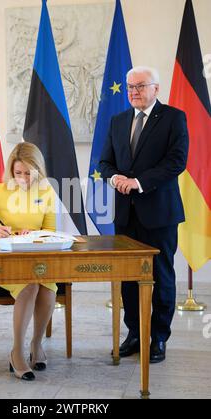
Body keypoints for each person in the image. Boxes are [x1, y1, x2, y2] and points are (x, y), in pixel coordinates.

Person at [99, 66, 189, 363]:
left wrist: (138, 182)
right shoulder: (118, 121)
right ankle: (135, 334)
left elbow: (176, 162)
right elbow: (105, 161)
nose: (134, 92)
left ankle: (159, 338)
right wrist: (115, 179)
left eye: (140, 86)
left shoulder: (174, 118)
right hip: (126, 214)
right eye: (129, 87)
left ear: (156, 88)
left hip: (160, 213)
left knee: (161, 276)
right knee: (128, 277)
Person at [0, 142, 57, 380]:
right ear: (11, 171)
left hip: (38, 259)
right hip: (8, 261)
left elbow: (50, 231)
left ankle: (36, 345)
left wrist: (34, 234)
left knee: (47, 287)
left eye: (29, 173)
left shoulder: (46, 192)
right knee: (31, 284)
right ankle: (17, 352)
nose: (23, 178)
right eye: (18, 173)